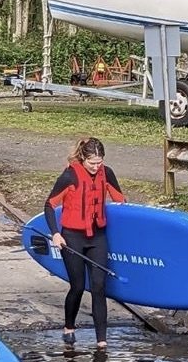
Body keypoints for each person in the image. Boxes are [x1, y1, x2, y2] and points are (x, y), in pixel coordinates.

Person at [44, 137, 126, 350]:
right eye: (92, 163)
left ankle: (101, 341)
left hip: (98, 237)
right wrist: (55, 233)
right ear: (83, 158)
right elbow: (49, 205)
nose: (96, 167)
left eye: (99, 162)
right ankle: (69, 327)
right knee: (78, 286)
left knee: (99, 286)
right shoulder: (69, 176)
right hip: (72, 238)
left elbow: (120, 200)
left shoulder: (106, 173)